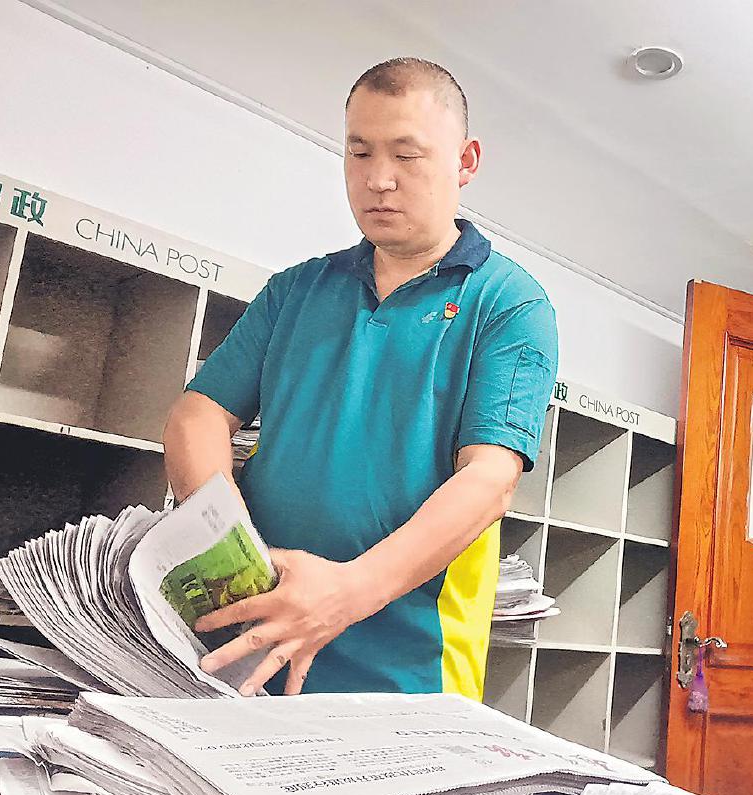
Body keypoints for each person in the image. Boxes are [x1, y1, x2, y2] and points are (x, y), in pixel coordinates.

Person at [162, 57, 558, 700]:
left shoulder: (510, 303)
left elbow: (489, 480)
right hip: (246, 639)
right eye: (359, 152)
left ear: (465, 162)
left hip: (407, 670)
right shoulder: (297, 289)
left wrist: (343, 595)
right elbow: (198, 413)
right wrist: (223, 539)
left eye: (407, 155)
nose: (378, 179)